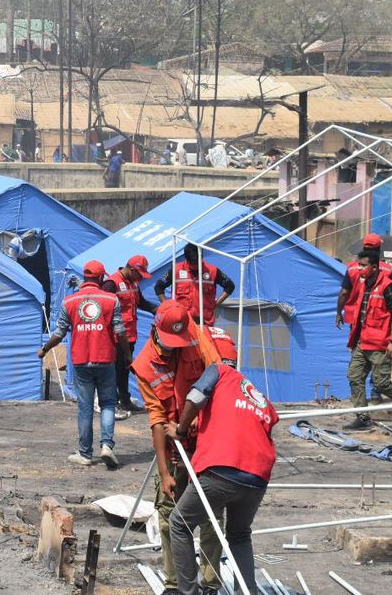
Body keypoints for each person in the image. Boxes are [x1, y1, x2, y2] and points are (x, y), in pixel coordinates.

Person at [132, 300, 226, 595]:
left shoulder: (196, 336)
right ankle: (175, 583)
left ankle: (210, 582)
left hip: (206, 441)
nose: (175, 348)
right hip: (174, 448)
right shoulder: (144, 365)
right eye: (169, 342)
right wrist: (164, 472)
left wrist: (200, 420)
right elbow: (157, 420)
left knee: (212, 513)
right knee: (169, 514)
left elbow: (219, 377)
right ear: (154, 330)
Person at [170, 361, 278, 595]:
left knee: (179, 523)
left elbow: (195, 398)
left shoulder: (219, 371)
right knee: (240, 535)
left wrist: (180, 430)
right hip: (257, 476)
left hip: (222, 468)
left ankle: (187, 592)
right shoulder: (257, 396)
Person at [37, 260, 129, 467]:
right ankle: (107, 446)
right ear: (100, 278)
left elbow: (59, 333)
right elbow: (120, 332)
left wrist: (44, 349)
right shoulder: (111, 300)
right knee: (108, 404)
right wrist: (127, 354)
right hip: (105, 359)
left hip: (81, 361)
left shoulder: (69, 301)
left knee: (85, 408)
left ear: (85, 277)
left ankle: (85, 454)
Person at [344, 249, 392, 433]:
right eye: (359, 265)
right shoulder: (364, 285)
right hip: (363, 341)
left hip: (380, 344)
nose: (359, 269)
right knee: (354, 376)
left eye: (363, 266)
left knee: (381, 383)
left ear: (374, 267)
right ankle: (362, 417)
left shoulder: (388, 287)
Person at [103, 255, 159, 419]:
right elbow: (103, 308)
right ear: (132, 270)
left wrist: (157, 309)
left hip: (130, 335)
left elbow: (141, 302)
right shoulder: (111, 283)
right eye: (139, 274)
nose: (140, 278)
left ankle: (125, 401)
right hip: (115, 336)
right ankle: (112, 404)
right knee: (114, 370)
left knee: (125, 369)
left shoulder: (133, 283)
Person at [155, 243, 235, 326]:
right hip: (181, 321)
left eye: (197, 262)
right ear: (186, 259)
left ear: (201, 257)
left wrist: (215, 305)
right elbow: (158, 287)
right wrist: (169, 308)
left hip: (205, 322)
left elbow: (230, 286)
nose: (195, 266)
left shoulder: (212, 271)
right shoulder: (176, 270)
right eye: (192, 263)